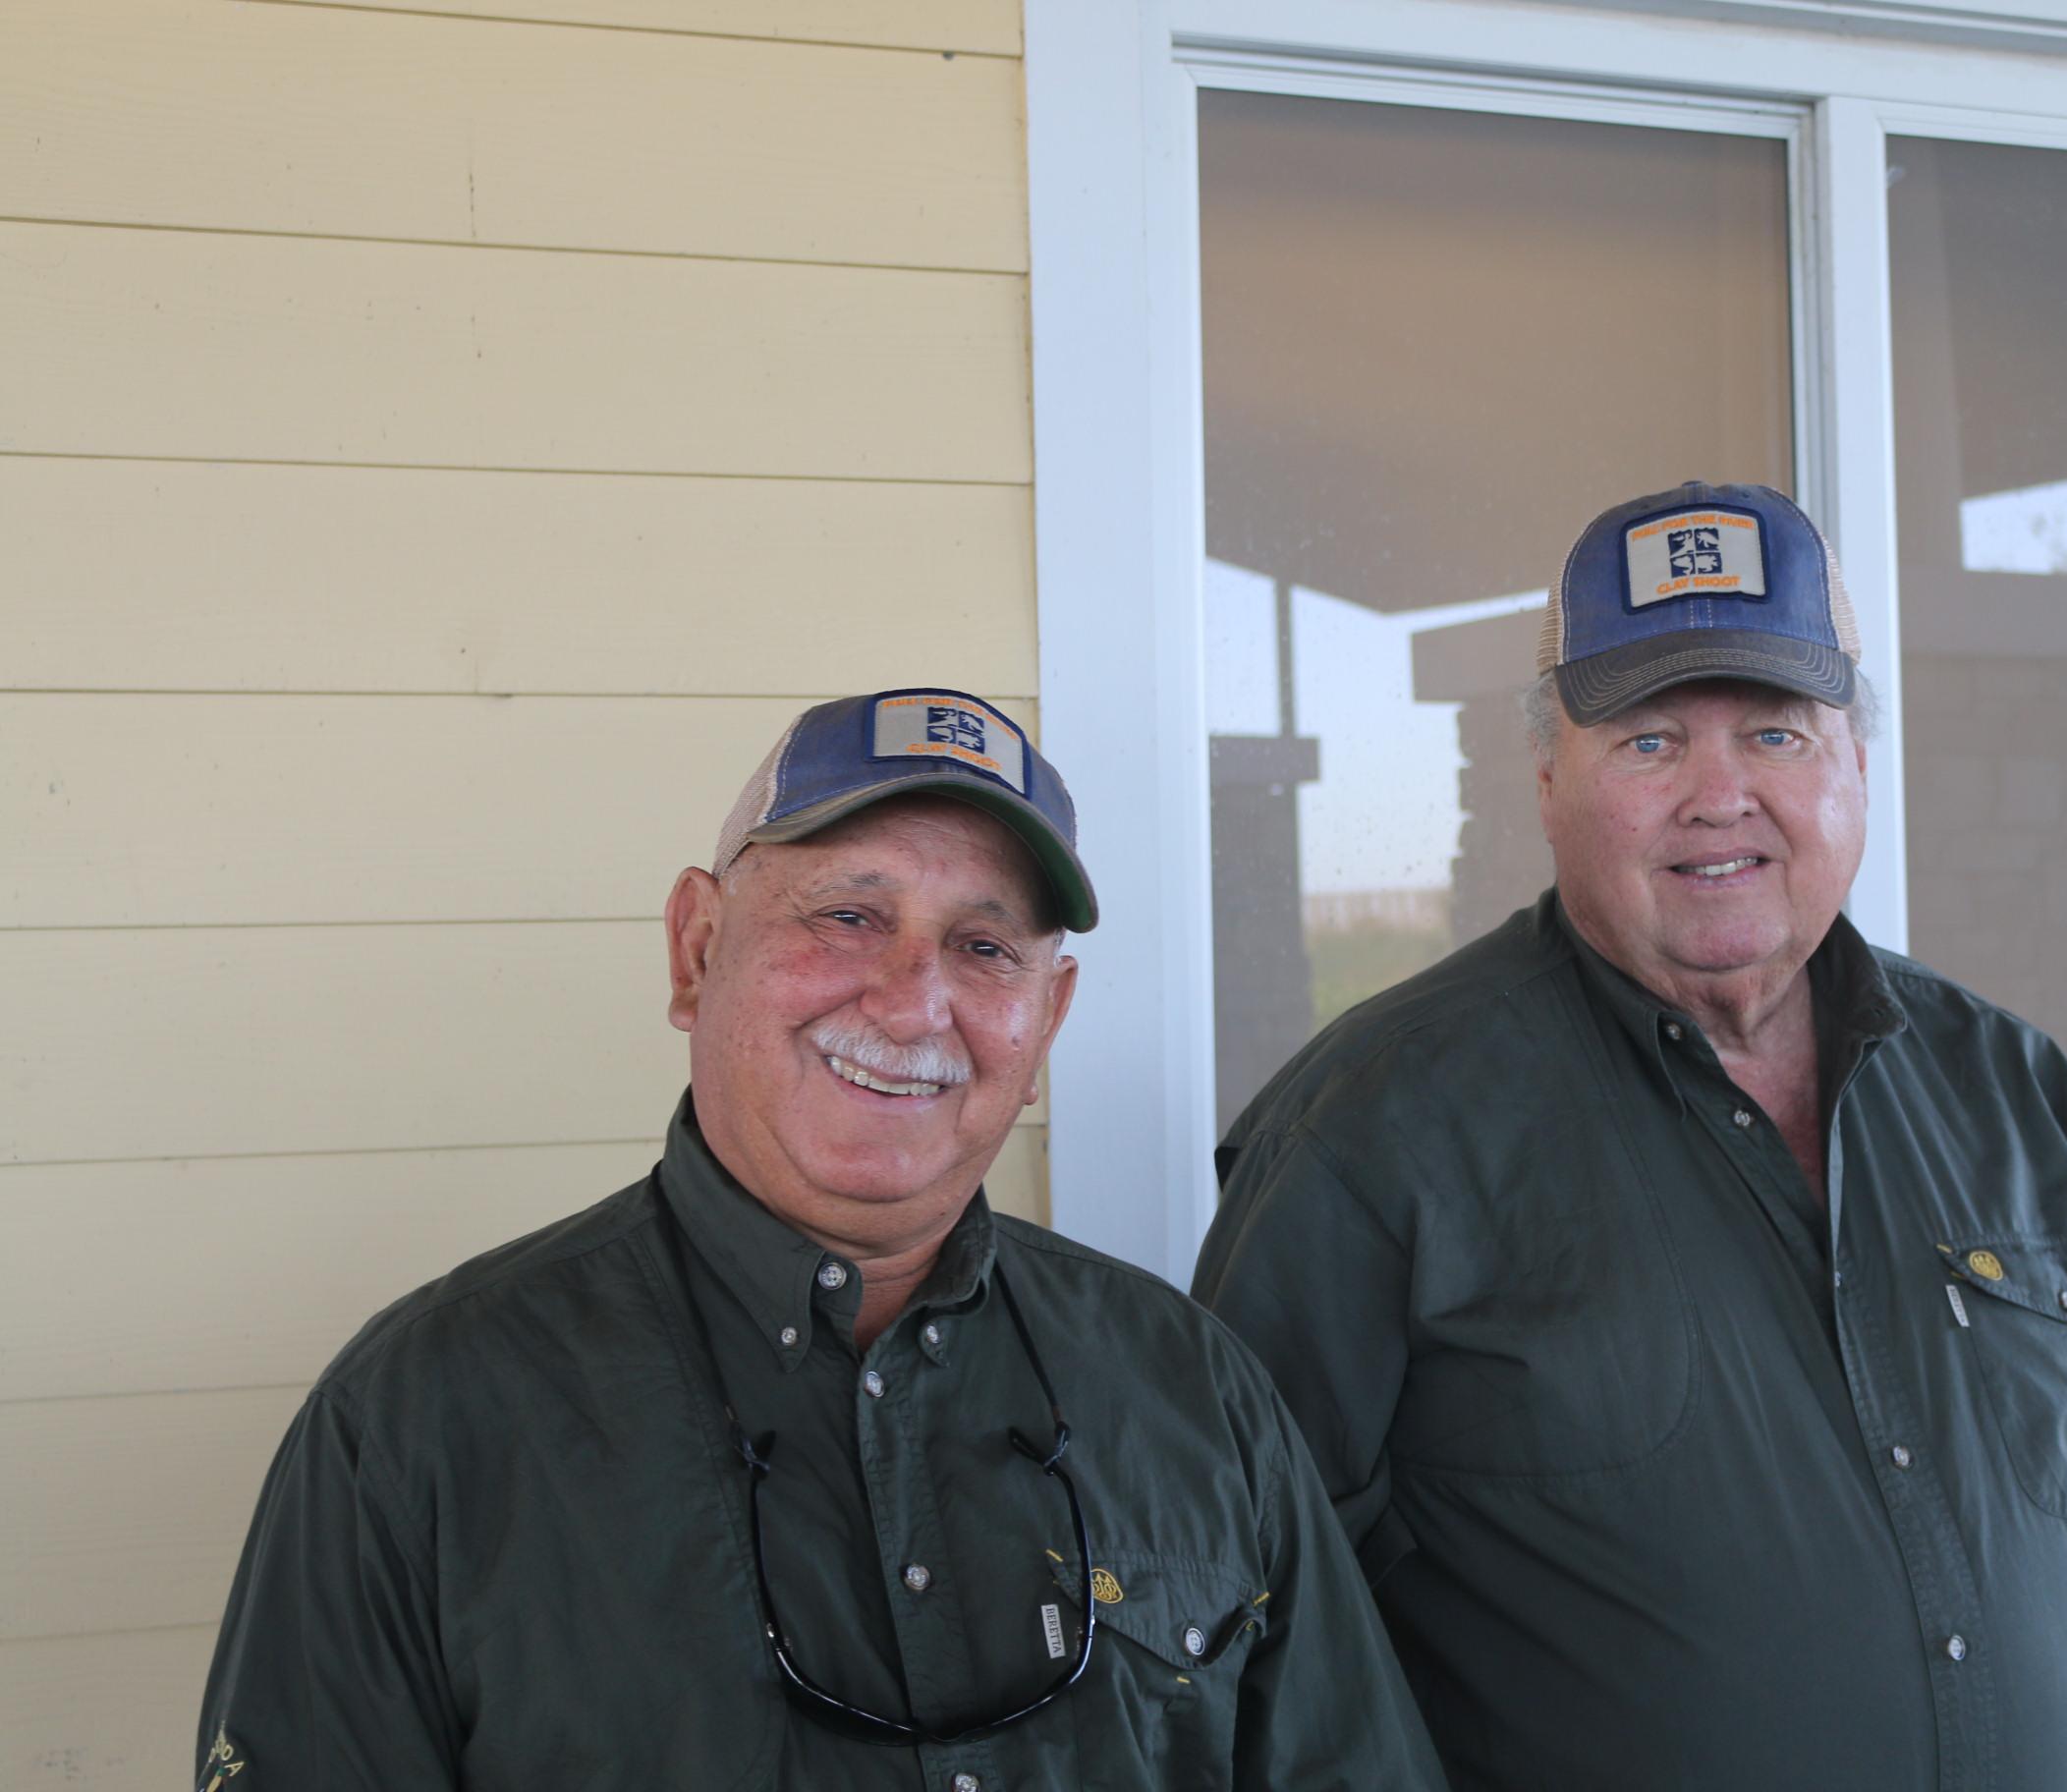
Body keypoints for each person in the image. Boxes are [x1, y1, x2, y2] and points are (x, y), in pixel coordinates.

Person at [200, 688, 1444, 1791]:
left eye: (984, 945)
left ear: (1045, 1016)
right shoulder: (420, 1419)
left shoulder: (1193, 1385)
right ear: (698, 951)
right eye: (849, 915)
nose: (914, 1001)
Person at [1196, 484, 2067, 1792]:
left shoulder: (2014, 1088)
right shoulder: (1370, 1129)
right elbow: (1247, 1625)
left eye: (1778, 734)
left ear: (1856, 764)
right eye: (1650, 741)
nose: (1719, 794)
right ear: (1549, 776)